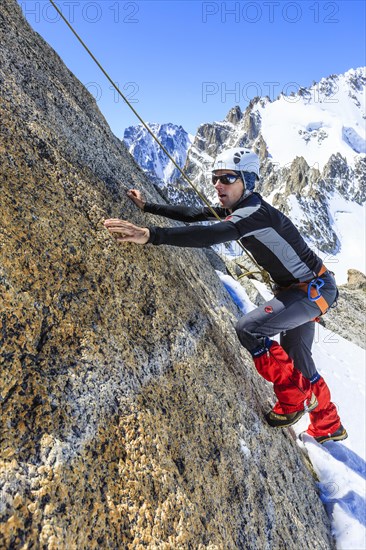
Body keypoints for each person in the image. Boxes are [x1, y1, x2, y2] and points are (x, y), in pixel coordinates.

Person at [104, 147, 347, 444]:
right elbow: (196, 215)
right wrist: (148, 207)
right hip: (307, 290)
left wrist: (151, 234)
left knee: (249, 328)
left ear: (247, 181)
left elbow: (210, 235)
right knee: (299, 359)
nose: (218, 185)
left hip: (311, 292)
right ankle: (329, 425)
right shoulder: (243, 209)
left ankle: (294, 399)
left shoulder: (253, 214)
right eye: (215, 178)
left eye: (227, 178)